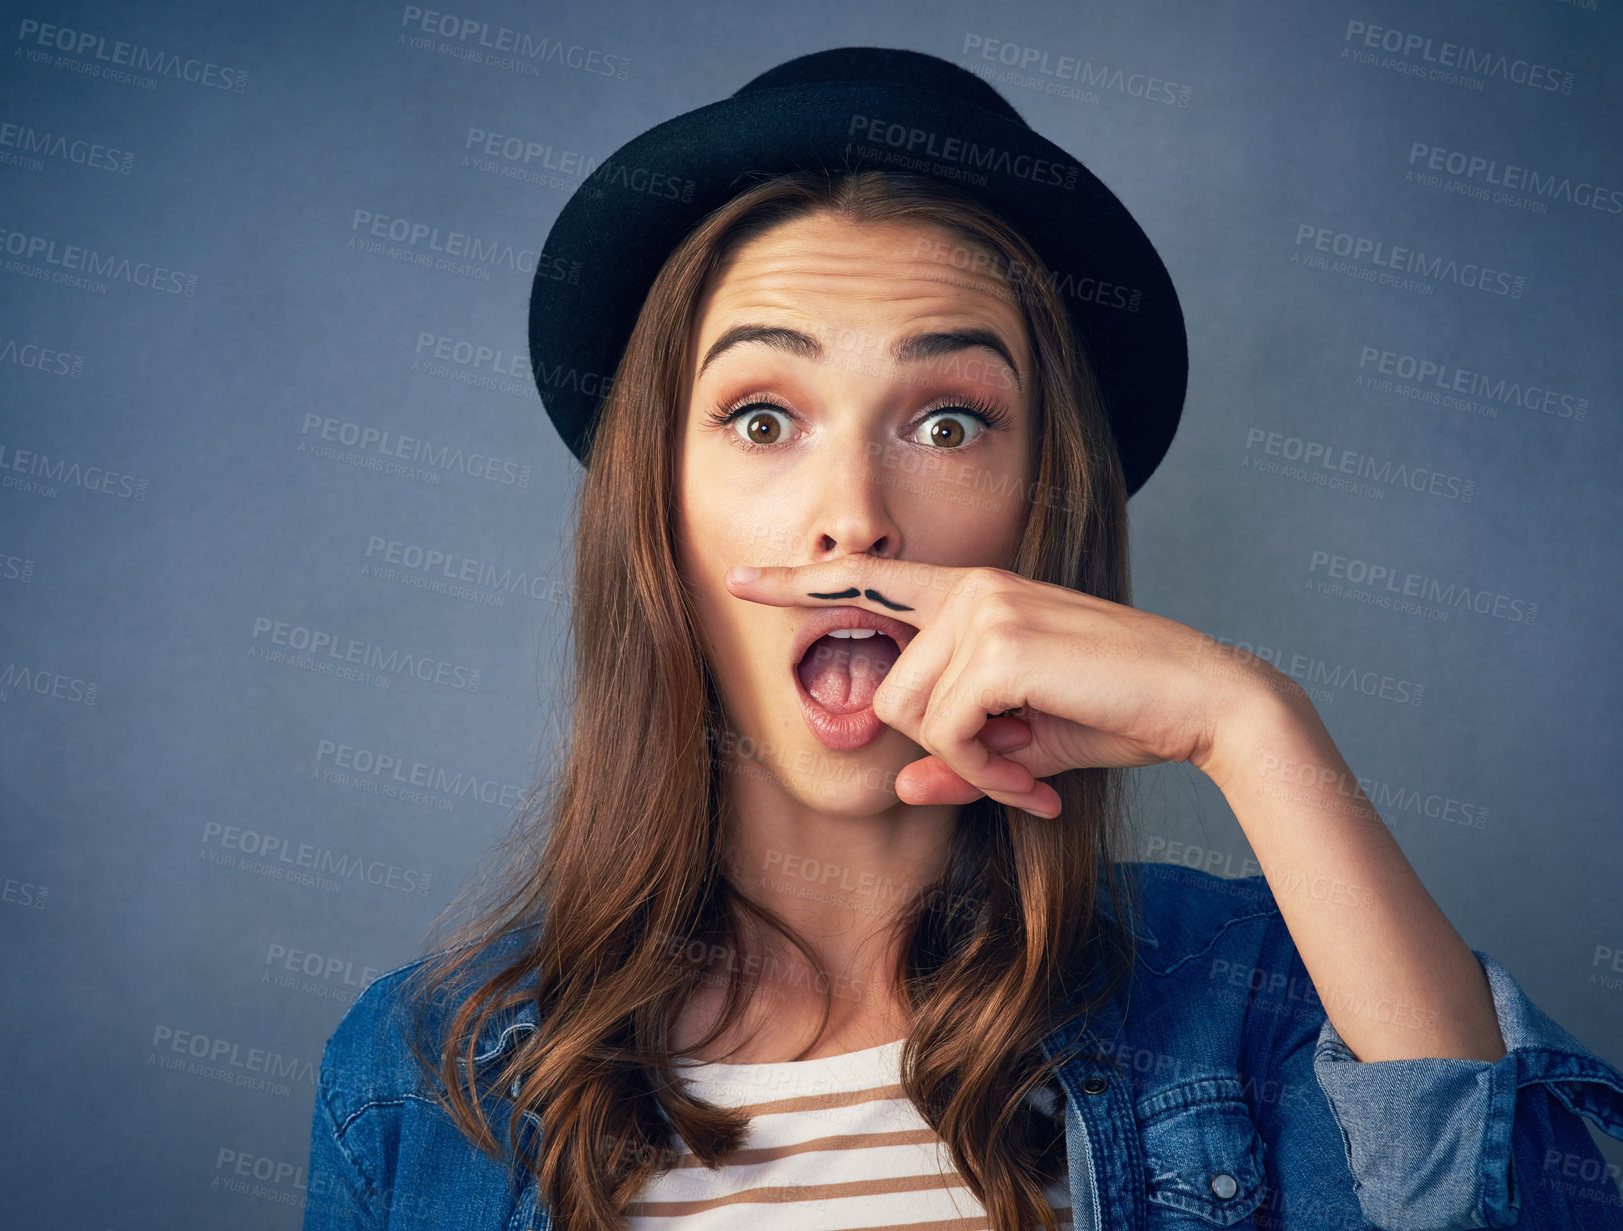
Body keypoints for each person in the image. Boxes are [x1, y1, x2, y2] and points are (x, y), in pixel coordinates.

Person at [302, 47, 1623, 1230]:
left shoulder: (1260, 997)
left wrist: (1253, 725)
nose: (856, 520)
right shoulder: (417, 1078)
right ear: (660, 512)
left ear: (1042, 512)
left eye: (949, 422)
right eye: (763, 416)